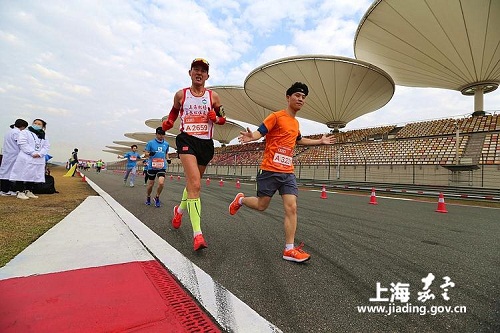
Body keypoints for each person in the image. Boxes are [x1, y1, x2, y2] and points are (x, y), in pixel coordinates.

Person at [228, 82, 336, 263]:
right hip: (269, 170)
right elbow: (259, 132)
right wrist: (250, 137)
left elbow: (299, 140)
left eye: (303, 97)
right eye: (297, 96)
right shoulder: (276, 117)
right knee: (262, 206)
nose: (300, 99)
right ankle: (240, 199)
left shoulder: (295, 123)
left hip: (287, 172)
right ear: (288, 97)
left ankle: (289, 249)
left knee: (292, 207)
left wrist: (320, 141)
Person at [162, 58, 226, 251]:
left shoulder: (213, 97)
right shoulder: (181, 95)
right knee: (196, 184)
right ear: (189, 73)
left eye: (203, 71)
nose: (199, 73)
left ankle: (179, 211)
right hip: (187, 140)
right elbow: (173, 112)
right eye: (196, 70)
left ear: (207, 76)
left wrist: (218, 119)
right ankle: (197, 234)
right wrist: (169, 122)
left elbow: (223, 118)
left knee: (192, 184)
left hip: (205, 144)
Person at [9, 118, 50, 200]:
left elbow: (46, 146)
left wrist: (40, 153)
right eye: (35, 123)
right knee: (21, 173)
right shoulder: (25, 132)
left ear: (43, 126)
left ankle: (29, 190)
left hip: (38, 158)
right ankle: (19, 191)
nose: (37, 125)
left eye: (39, 124)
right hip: (26, 156)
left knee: (32, 174)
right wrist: (32, 152)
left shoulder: (44, 136)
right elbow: (22, 143)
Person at [0, 119, 29, 196]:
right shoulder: (18, 133)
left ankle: (5, 189)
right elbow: (20, 143)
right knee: (10, 172)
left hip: (7, 154)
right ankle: (5, 190)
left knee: (5, 172)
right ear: (23, 126)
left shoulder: (9, 132)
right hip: (14, 155)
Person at [144, 127, 171, 207]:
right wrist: (149, 154)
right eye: (159, 134)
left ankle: (157, 197)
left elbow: (166, 153)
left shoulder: (166, 144)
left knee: (161, 183)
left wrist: (168, 159)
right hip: (152, 166)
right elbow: (146, 153)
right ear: (156, 134)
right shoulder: (150, 143)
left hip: (161, 166)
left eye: (163, 134)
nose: (161, 136)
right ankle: (148, 197)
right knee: (151, 184)